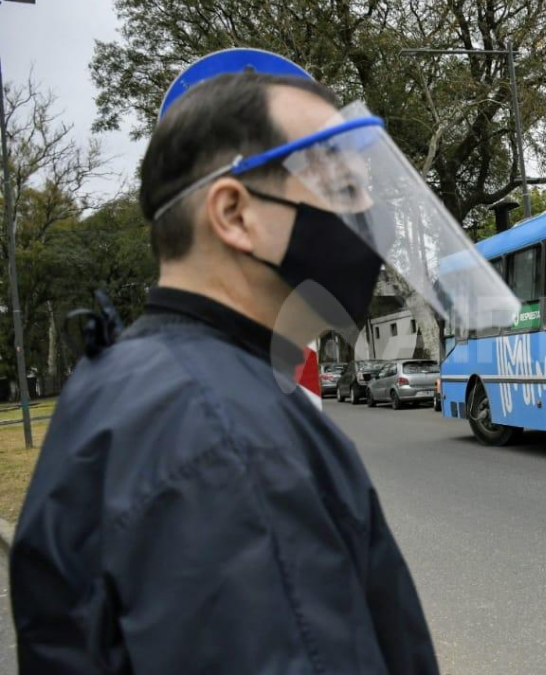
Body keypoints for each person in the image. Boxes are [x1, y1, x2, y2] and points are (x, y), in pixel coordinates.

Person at [10, 67, 442, 673]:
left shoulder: (141, 377)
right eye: (343, 190)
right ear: (235, 213)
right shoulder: (227, 439)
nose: (374, 219)